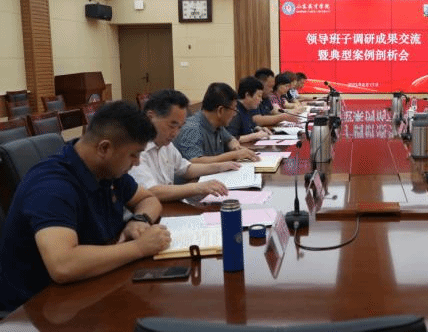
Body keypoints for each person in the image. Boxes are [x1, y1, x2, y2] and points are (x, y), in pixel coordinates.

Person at [0, 101, 171, 312]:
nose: (137, 163)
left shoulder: (107, 169)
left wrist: (139, 219)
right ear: (104, 148)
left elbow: (148, 199)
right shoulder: (51, 186)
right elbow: (63, 265)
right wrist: (139, 247)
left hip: (89, 286)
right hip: (35, 308)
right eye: (134, 154)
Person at [129, 89, 243, 202]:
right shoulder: (135, 148)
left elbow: (186, 168)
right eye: (172, 125)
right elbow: (150, 191)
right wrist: (198, 187)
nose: (175, 133)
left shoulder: (166, 144)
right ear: (151, 117)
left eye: (179, 127)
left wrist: (220, 167)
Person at [173, 82, 259, 163]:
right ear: (220, 110)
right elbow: (194, 161)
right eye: (234, 109)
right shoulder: (192, 129)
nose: (235, 114)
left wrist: (235, 146)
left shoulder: (218, 124)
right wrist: (234, 155)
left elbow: (230, 139)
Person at [226, 76, 271, 144]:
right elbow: (230, 139)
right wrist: (254, 136)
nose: (261, 100)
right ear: (247, 95)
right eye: (259, 96)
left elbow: (250, 127)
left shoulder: (248, 108)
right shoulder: (235, 112)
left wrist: (258, 128)